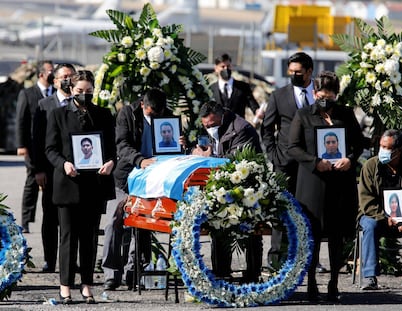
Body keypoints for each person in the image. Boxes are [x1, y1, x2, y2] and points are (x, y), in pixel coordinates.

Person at [288, 71, 364, 302]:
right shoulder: (303, 115)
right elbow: (293, 147)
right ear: (314, 93)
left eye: (330, 94)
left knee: (337, 235)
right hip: (312, 183)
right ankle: (310, 282)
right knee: (312, 234)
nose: (325, 97)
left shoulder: (346, 114)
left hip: (340, 183)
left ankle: (333, 283)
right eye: (321, 93)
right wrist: (315, 162)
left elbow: (359, 143)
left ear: (336, 94)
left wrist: (350, 158)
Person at [45, 70, 116, 304]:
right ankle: (65, 285)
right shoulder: (57, 115)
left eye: (88, 91)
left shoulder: (104, 115)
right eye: (79, 91)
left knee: (88, 239)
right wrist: (63, 164)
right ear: (70, 89)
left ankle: (87, 285)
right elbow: (50, 149)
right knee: (67, 237)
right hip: (68, 184)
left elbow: (112, 149)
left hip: (94, 185)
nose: (84, 95)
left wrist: (110, 162)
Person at [102, 88, 180, 291]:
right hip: (125, 176)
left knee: (143, 224)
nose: (156, 118)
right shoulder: (127, 114)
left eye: (159, 114)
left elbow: (171, 147)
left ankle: (133, 271)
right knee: (114, 222)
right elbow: (122, 144)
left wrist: (180, 144)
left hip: (152, 180)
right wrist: (140, 160)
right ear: (143, 105)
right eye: (152, 114)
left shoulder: (168, 116)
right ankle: (111, 274)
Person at [192, 100, 263, 282]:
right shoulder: (211, 128)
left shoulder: (242, 129)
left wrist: (210, 157)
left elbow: (236, 160)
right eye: (206, 125)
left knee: (249, 232)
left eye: (213, 124)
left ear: (221, 115)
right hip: (220, 190)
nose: (210, 128)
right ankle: (221, 272)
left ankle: (253, 275)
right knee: (218, 228)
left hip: (245, 190)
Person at [260, 52, 315, 269]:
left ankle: (307, 256)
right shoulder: (279, 95)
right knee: (281, 209)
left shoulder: (318, 94)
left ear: (309, 72)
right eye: (290, 72)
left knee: (309, 210)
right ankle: (276, 258)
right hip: (285, 162)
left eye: (298, 72)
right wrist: (274, 155)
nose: (293, 75)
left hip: (311, 163)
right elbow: (267, 128)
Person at [32, 63, 76, 273]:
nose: (69, 80)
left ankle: (71, 261)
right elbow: (37, 140)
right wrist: (37, 170)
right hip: (50, 170)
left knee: (71, 219)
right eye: (65, 77)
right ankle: (50, 259)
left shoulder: (79, 103)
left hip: (74, 171)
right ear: (56, 80)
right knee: (50, 217)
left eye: (72, 76)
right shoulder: (44, 105)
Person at [358, 129, 402, 290]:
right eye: (381, 146)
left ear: (398, 151)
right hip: (374, 216)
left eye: (387, 148)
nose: (382, 150)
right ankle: (369, 277)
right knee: (369, 225)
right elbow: (366, 201)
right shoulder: (370, 166)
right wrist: (385, 218)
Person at [16, 60, 55, 233]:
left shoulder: (57, 93)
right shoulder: (28, 93)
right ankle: (25, 220)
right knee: (32, 181)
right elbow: (21, 120)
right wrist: (21, 145)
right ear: (41, 74)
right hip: (33, 145)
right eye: (50, 71)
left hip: (53, 145)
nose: (52, 73)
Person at [210, 53, 263, 121]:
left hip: (238, 128)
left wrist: (257, 111)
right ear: (216, 69)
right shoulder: (211, 89)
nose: (226, 69)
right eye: (222, 67)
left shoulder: (243, 87)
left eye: (228, 66)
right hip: (218, 129)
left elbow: (252, 104)